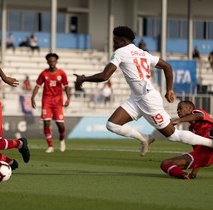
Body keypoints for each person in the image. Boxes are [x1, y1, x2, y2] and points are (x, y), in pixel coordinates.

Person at [74, 26, 213, 156]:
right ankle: (145, 138)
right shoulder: (143, 53)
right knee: (112, 125)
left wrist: (84, 78)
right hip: (137, 98)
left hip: (148, 100)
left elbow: (105, 76)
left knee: (173, 135)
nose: (113, 44)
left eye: (115, 41)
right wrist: (169, 89)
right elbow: (167, 67)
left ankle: (210, 143)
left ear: (123, 41)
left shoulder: (120, 52)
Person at [161, 101, 213, 179]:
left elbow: (199, 115)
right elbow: (197, 152)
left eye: (180, 108)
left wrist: (179, 120)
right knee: (165, 164)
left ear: (189, 109)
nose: (178, 111)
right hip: (206, 154)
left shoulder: (197, 112)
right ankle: (182, 175)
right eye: (177, 109)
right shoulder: (191, 130)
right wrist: (193, 174)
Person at [31, 53, 70, 153]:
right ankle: (50, 146)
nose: (52, 62)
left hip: (58, 102)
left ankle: (61, 140)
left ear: (56, 62)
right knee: (46, 123)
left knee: (60, 125)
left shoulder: (61, 73)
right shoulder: (44, 73)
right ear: (47, 62)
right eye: (50, 61)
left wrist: (68, 98)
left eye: (54, 61)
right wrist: (33, 97)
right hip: (46, 101)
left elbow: (66, 86)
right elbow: (37, 86)